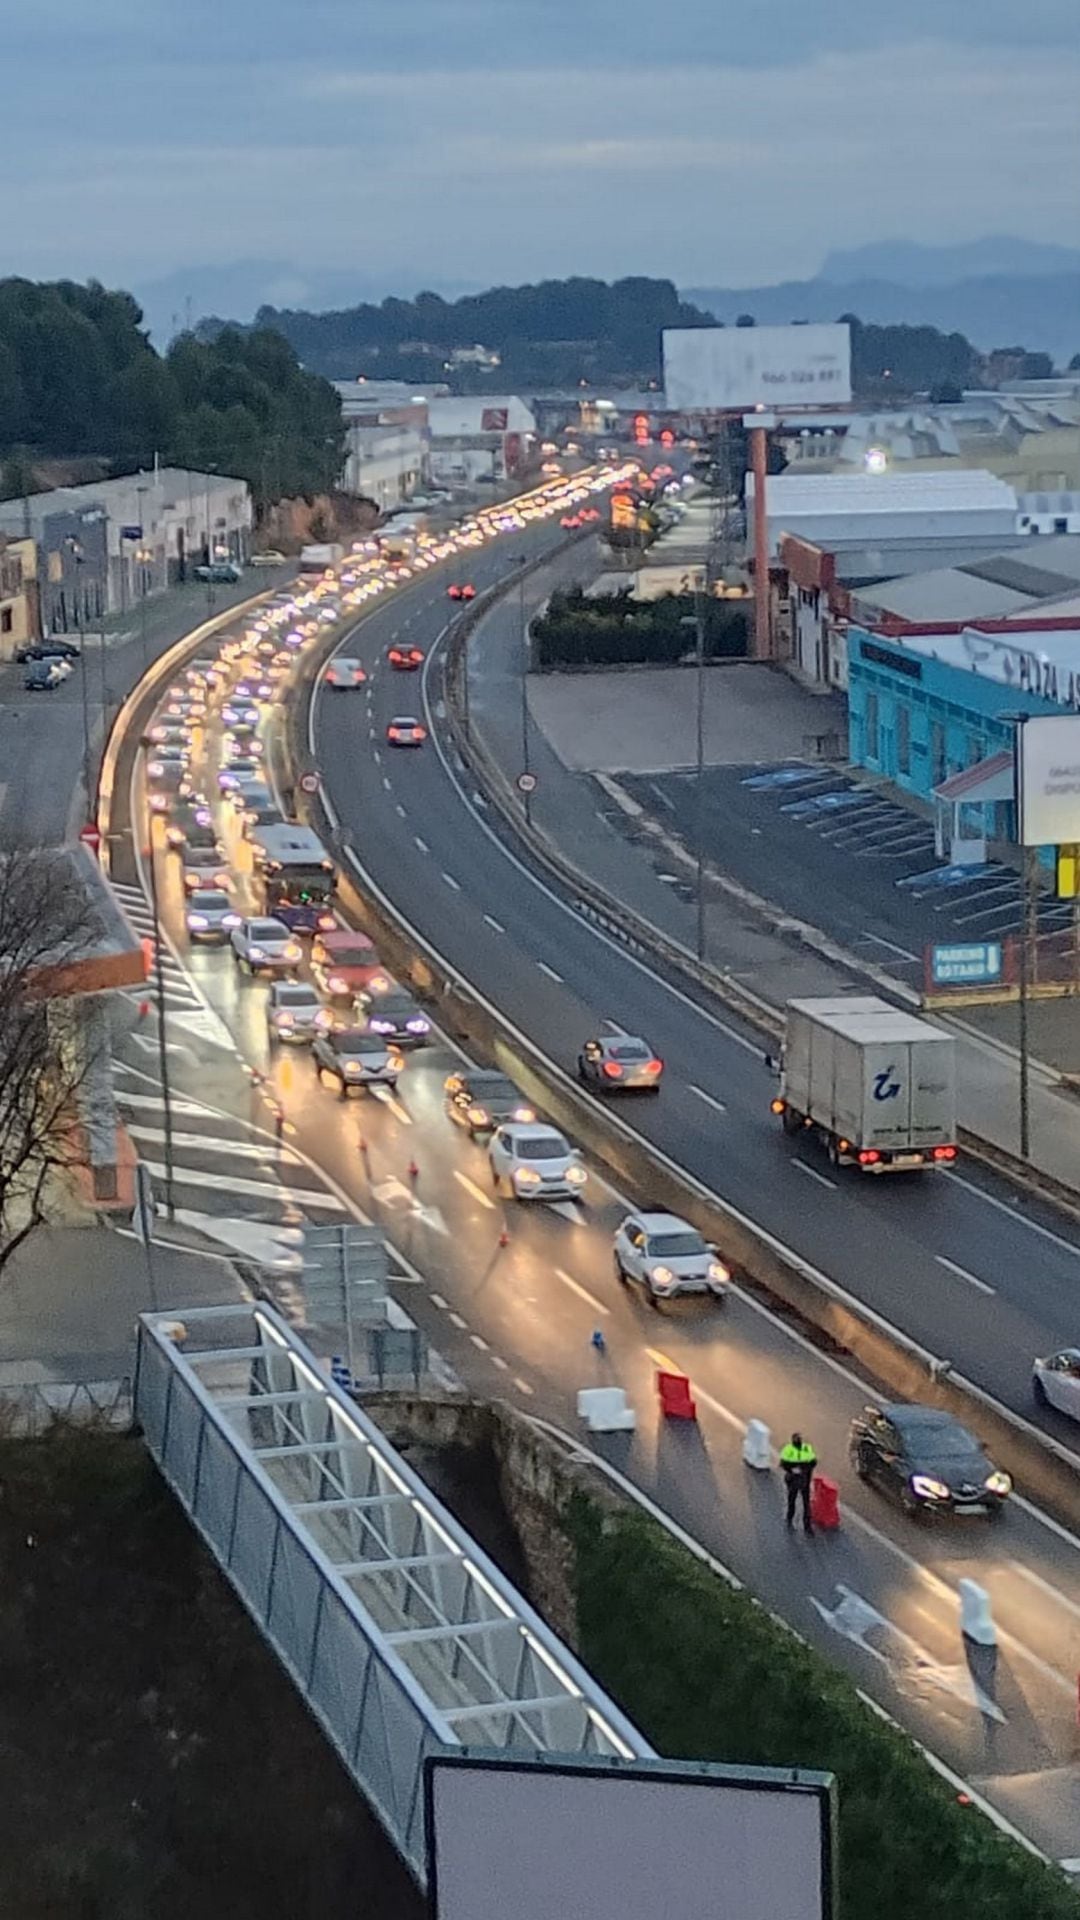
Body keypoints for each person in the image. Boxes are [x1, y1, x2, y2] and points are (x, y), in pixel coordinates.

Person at [780, 1432, 817, 1534]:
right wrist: (805, 1469)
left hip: (794, 1480)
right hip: (804, 1480)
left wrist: (793, 1469)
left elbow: (783, 1464)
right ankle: (807, 1526)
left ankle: (790, 1517)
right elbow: (814, 1462)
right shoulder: (806, 1449)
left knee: (792, 1500)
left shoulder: (788, 1450)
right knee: (805, 1503)